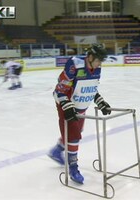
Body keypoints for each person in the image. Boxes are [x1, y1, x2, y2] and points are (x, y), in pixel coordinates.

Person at [48, 44, 111, 184]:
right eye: (98, 60)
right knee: (74, 136)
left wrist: (100, 102)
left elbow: (91, 88)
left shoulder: (97, 68)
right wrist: (66, 106)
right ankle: (73, 168)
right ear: (90, 57)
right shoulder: (75, 64)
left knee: (77, 131)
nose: (100, 63)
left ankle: (56, 151)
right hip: (66, 104)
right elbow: (60, 89)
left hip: (81, 105)